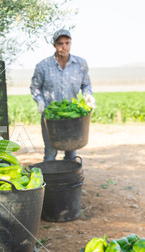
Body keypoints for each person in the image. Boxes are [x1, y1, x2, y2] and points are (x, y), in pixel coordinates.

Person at [30, 29, 96, 162]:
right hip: (51, 116)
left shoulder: (80, 64)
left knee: (71, 153)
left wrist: (88, 95)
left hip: (72, 117)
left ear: (71, 44)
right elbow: (35, 87)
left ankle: (71, 181)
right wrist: (40, 101)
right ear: (54, 45)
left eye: (67, 43)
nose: (64, 46)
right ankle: (50, 182)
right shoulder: (43, 66)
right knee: (50, 153)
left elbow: (86, 85)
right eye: (60, 43)